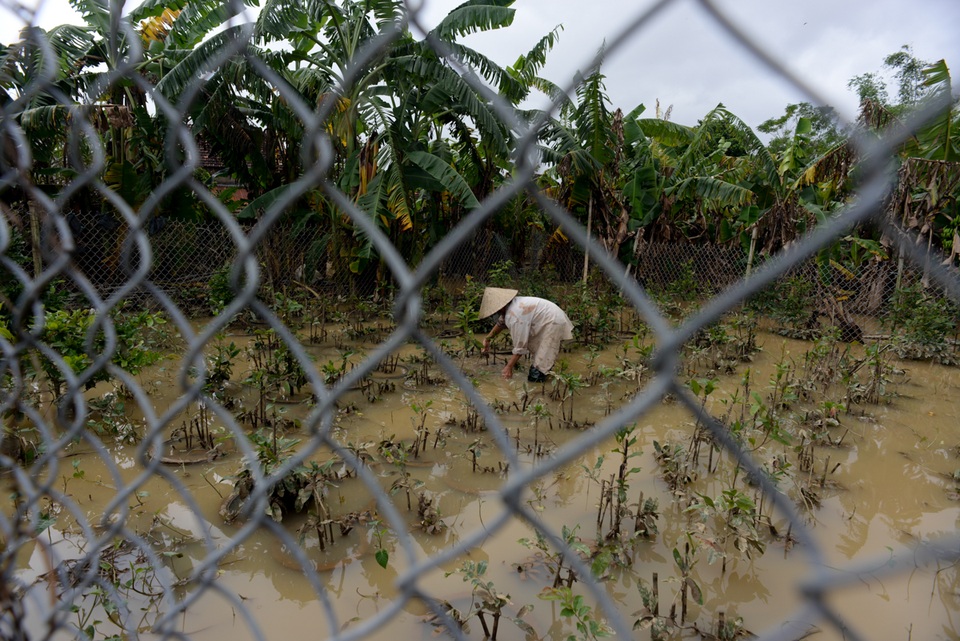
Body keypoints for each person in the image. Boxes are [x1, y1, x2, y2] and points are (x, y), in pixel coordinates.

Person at [478, 287, 574, 382]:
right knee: (542, 355)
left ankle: (540, 381)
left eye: (497, 311)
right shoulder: (512, 305)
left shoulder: (515, 315)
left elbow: (520, 346)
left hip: (553, 322)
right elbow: (501, 323)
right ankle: (547, 371)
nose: (497, 313)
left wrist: (508, 367)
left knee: (538, 371)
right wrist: (487, 339)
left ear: (501, 306)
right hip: (549, 318)